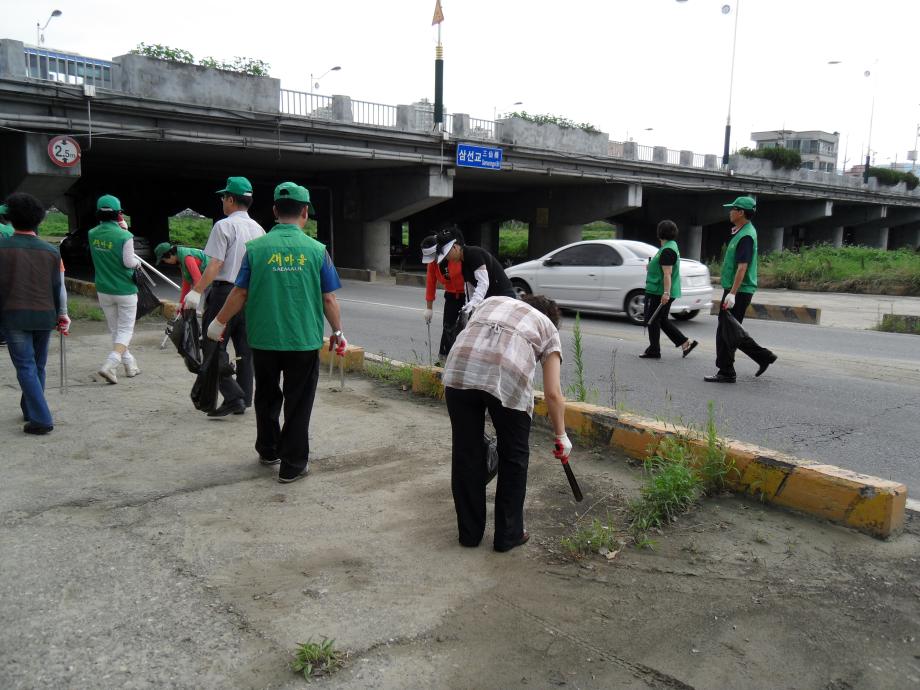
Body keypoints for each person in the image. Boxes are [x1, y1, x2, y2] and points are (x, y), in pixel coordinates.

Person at [206, 182, 345, 483]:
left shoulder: (256, 249)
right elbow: (329, 299)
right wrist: (338, 331)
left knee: (267, 397)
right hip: (303, 341)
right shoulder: (317, 251)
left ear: (274, 211)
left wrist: (218, 322)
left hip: (265, 340)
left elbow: (239, 293)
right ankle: (293, 464)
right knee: (298, 401)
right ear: (305, 212)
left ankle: (269, 450)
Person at [442, 294, 570, 552]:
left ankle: (469, 534)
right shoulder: (547, 326)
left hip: (460, 369)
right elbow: (553, 393)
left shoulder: (493, 302)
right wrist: (561, 436)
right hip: (507, 376)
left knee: (467, 452)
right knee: (514, 456)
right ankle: (508, 535)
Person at [185, 176, 265, 416]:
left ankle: (233, 396)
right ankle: (244, 398)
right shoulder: (260, 229)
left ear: (231, 199)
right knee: (245, 349)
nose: (222, 201)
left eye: (223, 197)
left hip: (224, 294)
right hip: (250, 296)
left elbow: (215, 264)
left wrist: (196, 291)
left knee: (211, 345)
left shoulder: (224, 226)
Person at [0, 193, 70, 434]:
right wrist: (63, 315)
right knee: (37, 365)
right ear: (39, 219)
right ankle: (29, 409)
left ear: (9, 218)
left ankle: (41, 419)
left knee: (26, 367)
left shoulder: (3, 247)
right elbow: (57, 286)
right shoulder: (51, 251)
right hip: (45, 315)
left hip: (14, 316)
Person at [704, 196, 777, 383]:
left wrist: (733, 294)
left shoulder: (745, 236)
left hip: (739, 291)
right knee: (730, 330)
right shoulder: (742, 232)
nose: (730, 212)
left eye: (733, 209)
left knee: (726, 332)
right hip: (735, 289)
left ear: (741, 212)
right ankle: (762, 357)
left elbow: (742, 267)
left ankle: (727, 372)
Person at [88, 194, 141, 384]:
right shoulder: (125, 236)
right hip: (125, 289)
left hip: (103, 289)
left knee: (115, 329)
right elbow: (129, 261)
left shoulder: (92, 233)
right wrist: (137, 263)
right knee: (125, 330)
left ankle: (130, 364)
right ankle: (110, 364)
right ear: (119, 214)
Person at [639, 220, 698, 360]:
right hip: (659, 289)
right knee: (662, 320)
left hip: (659, 292)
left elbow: (667, 273)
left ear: (660, 233)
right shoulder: (669, 246)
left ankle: (654, 350)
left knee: (653, 320)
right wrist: (651, 267)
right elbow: (662, 268)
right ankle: (685, 343)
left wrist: (666, 293)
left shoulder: (668, 250)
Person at [435, 229, 516, 319]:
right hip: (490, 300)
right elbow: (469, 289)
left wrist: (473, 304)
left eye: (447, 254)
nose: (447, 258)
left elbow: (483, 283)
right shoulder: (463, 263)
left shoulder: (474, 253)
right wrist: (467, 308)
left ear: (455, 247)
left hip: (503, 297)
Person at [421, 233, 465, 364]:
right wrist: (429, 308)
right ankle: (444, 360)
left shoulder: (454, 255)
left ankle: (461, 361)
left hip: (468, 295)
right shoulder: (433, 263)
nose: (433, 260)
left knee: (464, 328)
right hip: (451, 296)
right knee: (448, 328)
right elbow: (430, 282)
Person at [154, 242, 209, 309]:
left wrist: (194, 295)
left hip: (215, 276)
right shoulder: (181, 259)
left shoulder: (187, 258)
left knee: (209, 305)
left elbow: (198, 279)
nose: (165, 262)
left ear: (170, 254)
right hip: (208, 278)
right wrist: (181, 305)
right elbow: (186, 284)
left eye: (164, 260)